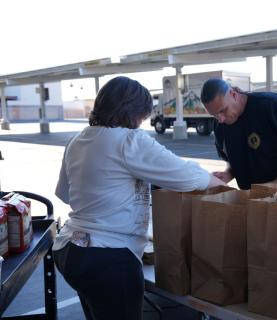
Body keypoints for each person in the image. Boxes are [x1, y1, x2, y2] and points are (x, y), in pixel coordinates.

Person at [53, 76, 224, 320]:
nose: (141, 122)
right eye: (141, 116)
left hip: (70, 250)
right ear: (131, 111)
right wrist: (214, 182)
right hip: (108, 259)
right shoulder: (129, 140)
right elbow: (187, 176)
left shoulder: (77, 140)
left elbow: (65, 194)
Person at [200, 78, 277, 190]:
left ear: (233, 95)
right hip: (260, 198)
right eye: (214, 115)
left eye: (223, 110)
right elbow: (235, 159)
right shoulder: (220, 125)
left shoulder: (270, 105)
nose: (220, 119)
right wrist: (228, 174)